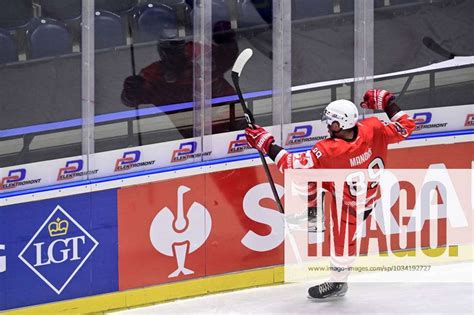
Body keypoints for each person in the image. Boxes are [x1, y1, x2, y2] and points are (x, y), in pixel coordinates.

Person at [244, 89, 416, 299]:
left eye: (331, 122)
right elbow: (406, 126)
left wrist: (267, 144)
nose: (327, 125)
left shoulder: (329, 151)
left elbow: (292, 165)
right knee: (311, 179)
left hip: (350, 205)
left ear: (340, 124)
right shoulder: (373, 128)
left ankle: (338, 283)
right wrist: (388, 103)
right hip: (364, 192)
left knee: (342, 244)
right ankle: (313, 216)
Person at [121, 21, 240, 138]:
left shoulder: (200, 53)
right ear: (162, 52)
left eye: (177, 48)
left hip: (230, 113)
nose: (174, 56)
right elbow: (130, 101)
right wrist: (130, 91)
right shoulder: (154, 75)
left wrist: (226, 40)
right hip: (196, 130)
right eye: (169, 51)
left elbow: (226, 56)